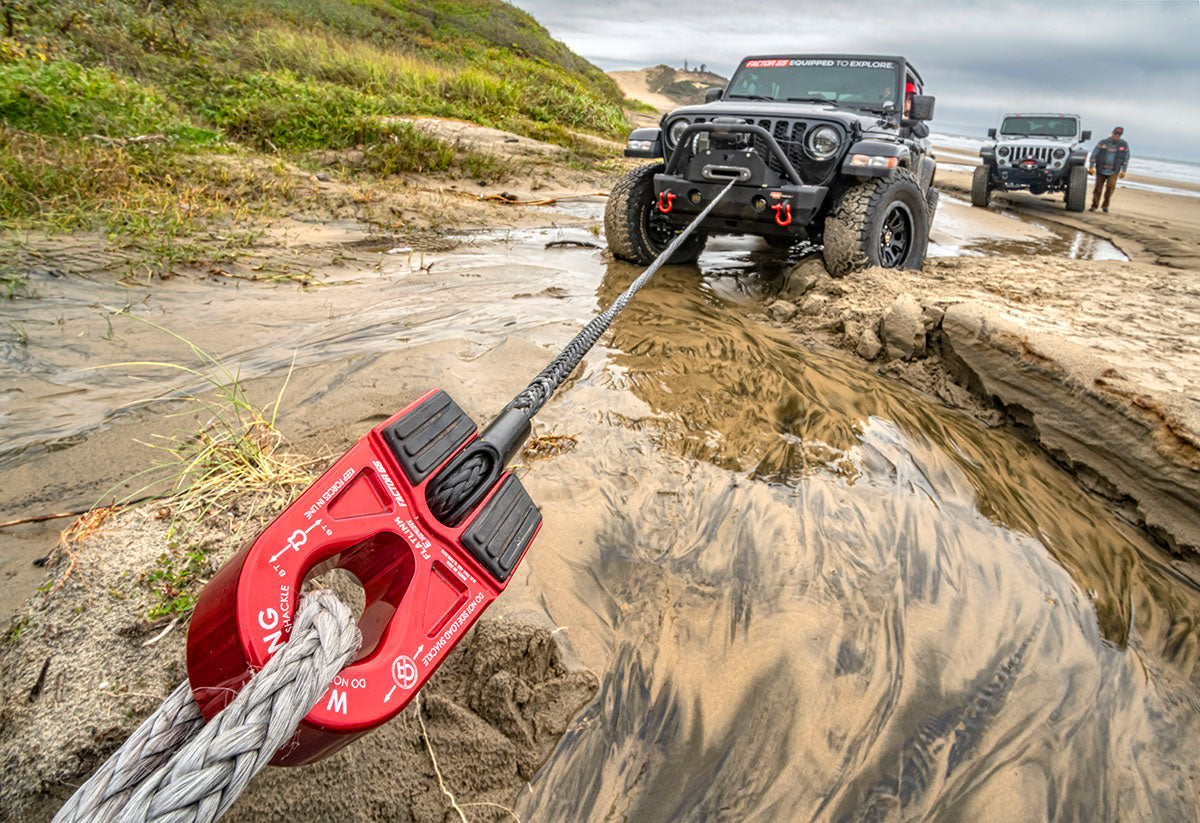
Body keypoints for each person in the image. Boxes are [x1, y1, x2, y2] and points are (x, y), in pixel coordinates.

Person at [1089, 126, 1130, 213]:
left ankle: (1105, 205)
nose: (1117, 136)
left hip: (1114, 171)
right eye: (1115, 134)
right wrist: (1091, 166)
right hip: (1101, 169)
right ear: (1112, 133)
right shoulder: (1103, 143)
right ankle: (1094, 206)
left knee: (1111, 187)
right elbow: (1094, 154)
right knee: (1098, 188)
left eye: (1119, 134)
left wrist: (1124, 170)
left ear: (1121, 135)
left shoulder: (1124, 145)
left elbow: (1126, 158)